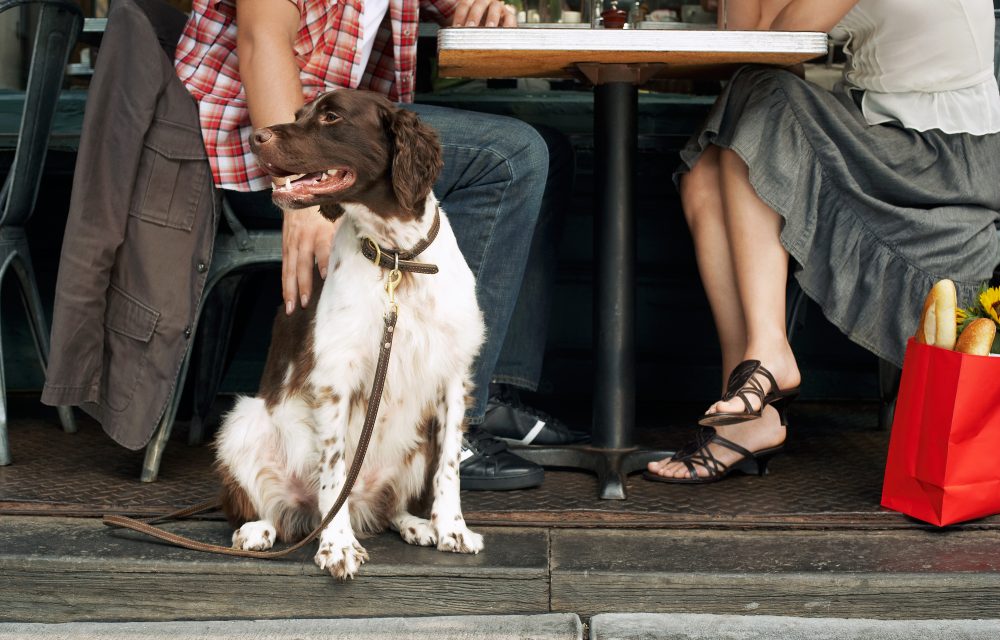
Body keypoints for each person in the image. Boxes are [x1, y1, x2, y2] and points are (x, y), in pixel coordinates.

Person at [174, 0, 582, 491]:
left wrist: (482, 7)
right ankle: (448, 432)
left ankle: (487, 395)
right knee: (511, 156)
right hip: (256, 143)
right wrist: (304, 191)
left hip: (344, 140)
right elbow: (263, 39)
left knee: (547, 149)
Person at [646, 0, 1000, 483]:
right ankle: (750, 405)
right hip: (884, 132)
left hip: (943, 154)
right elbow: (745, 39)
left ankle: (768, 360)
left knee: (761, 94)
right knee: (706, 175)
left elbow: (776, 44)